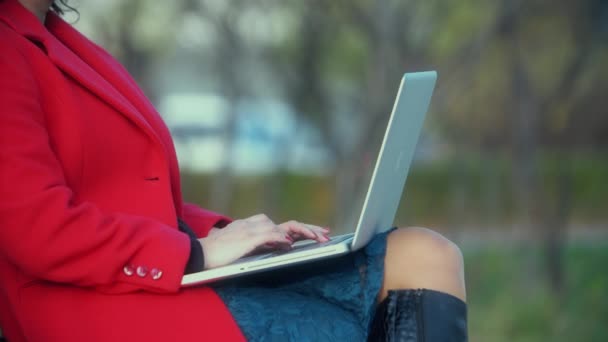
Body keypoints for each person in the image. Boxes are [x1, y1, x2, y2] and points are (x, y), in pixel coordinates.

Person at [0, 0, 468, 341]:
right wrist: (196, 254)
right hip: (95, 304)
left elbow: (142, 195)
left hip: (165, 278)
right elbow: (37, 229)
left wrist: (240, 235)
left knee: (426, 255)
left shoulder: (61, 39)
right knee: (347, 329)